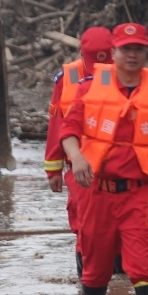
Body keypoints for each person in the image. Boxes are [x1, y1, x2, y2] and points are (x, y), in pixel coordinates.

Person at [61, 22, 148, 295]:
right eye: (126, 49)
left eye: (139, 49)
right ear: (112, 52)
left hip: (138, 195)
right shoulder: (89, 89)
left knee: (144, 267)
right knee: (95, 271)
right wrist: (76, 157)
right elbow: (68, 129)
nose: (132, 55)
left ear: (146, 53)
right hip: (97, 194)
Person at [45, 27, 115, 277]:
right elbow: (57, 124)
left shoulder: (127, 76)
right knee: (84, 225)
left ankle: (118, 284)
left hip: (117, 165)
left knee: (120, 226)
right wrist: (52, 168)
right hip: (79, 164)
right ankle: (89, 290)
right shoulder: (66, 79)